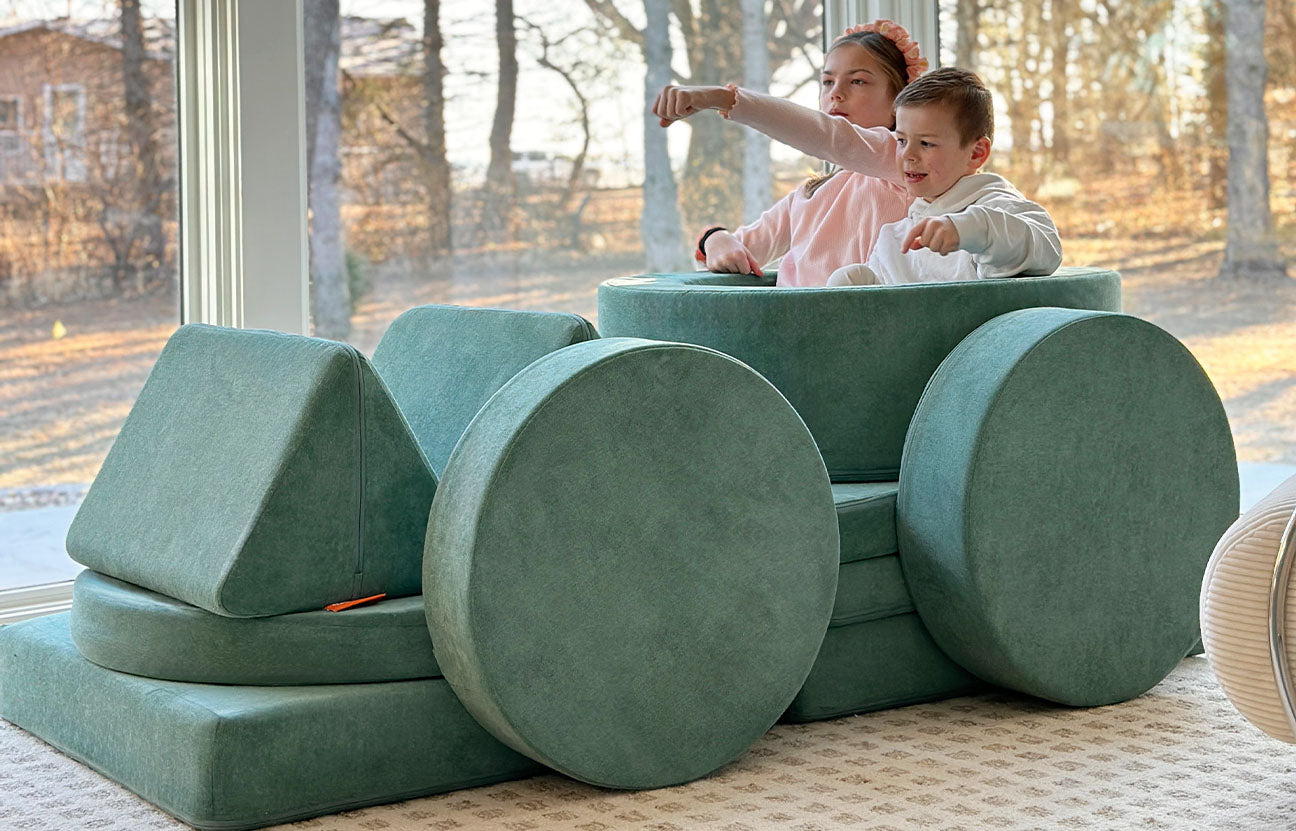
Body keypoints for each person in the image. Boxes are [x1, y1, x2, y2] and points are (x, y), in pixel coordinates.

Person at [651, 21, 928, 287]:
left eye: (857, 82)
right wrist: (714, 239)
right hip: (791, 328)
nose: (836, 94)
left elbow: (828, 135)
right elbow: (741, 251)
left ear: (899, 101)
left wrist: (720, 98)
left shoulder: (902, 160)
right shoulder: (808, 194)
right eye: (828, 81)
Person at [823, 67, 1062, 285]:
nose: (908, 154)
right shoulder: (895, 236)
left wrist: (970, 229)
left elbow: (1046, 247)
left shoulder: (996, 208)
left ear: (976, 153)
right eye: (902, 141)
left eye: (926, 143)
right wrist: (861, 282)